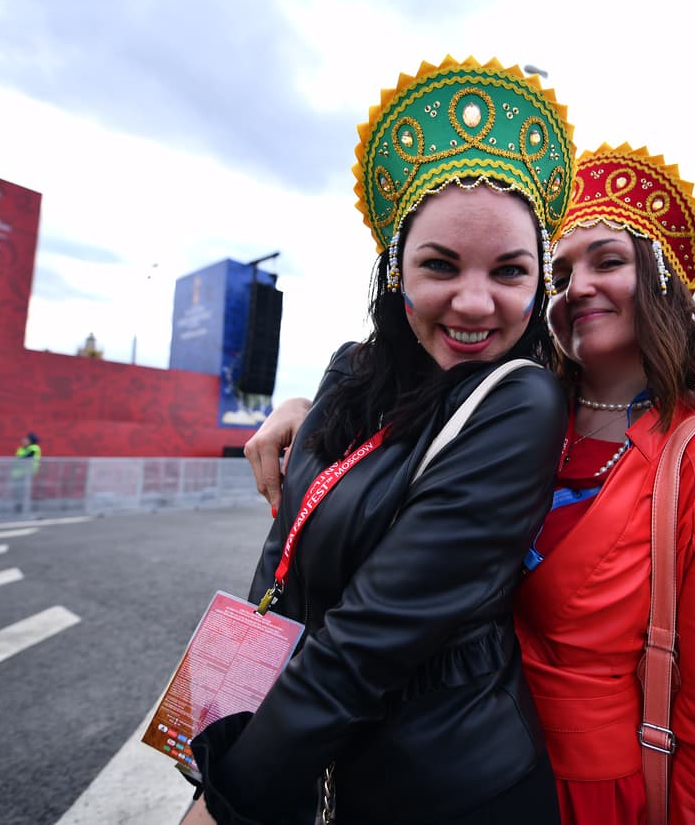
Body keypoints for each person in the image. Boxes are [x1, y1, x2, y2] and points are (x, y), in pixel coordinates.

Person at [249, 144, 695, 822]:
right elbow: (389, 400)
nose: (577, 286)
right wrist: (308, 415)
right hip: (428, 767)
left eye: (607, 260)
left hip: (593, 793)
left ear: (663, 282)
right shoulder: (494, 406)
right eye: (562, 268)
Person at [185, 57, 575, 825]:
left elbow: (363, 642)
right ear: (396, 269)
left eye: (508, 270)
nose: (473, 301)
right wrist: (212, 732)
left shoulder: (522, 400)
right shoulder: (349, 373)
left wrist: (225, 802)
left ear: (538, 284)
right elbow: (282, 572)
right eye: (439, 264)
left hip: (453, 791)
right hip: (330, 778)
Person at [10, 432, 41, 513]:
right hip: (18, 473)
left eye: (26, 439)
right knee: (17, 491)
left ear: (30, 440)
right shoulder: (21, 449)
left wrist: (20, 459)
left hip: (27, 473)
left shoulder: (34, 447)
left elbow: (27, 457)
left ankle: (24, 507)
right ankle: (19, 506)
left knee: (24, 491)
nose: (23, 440)